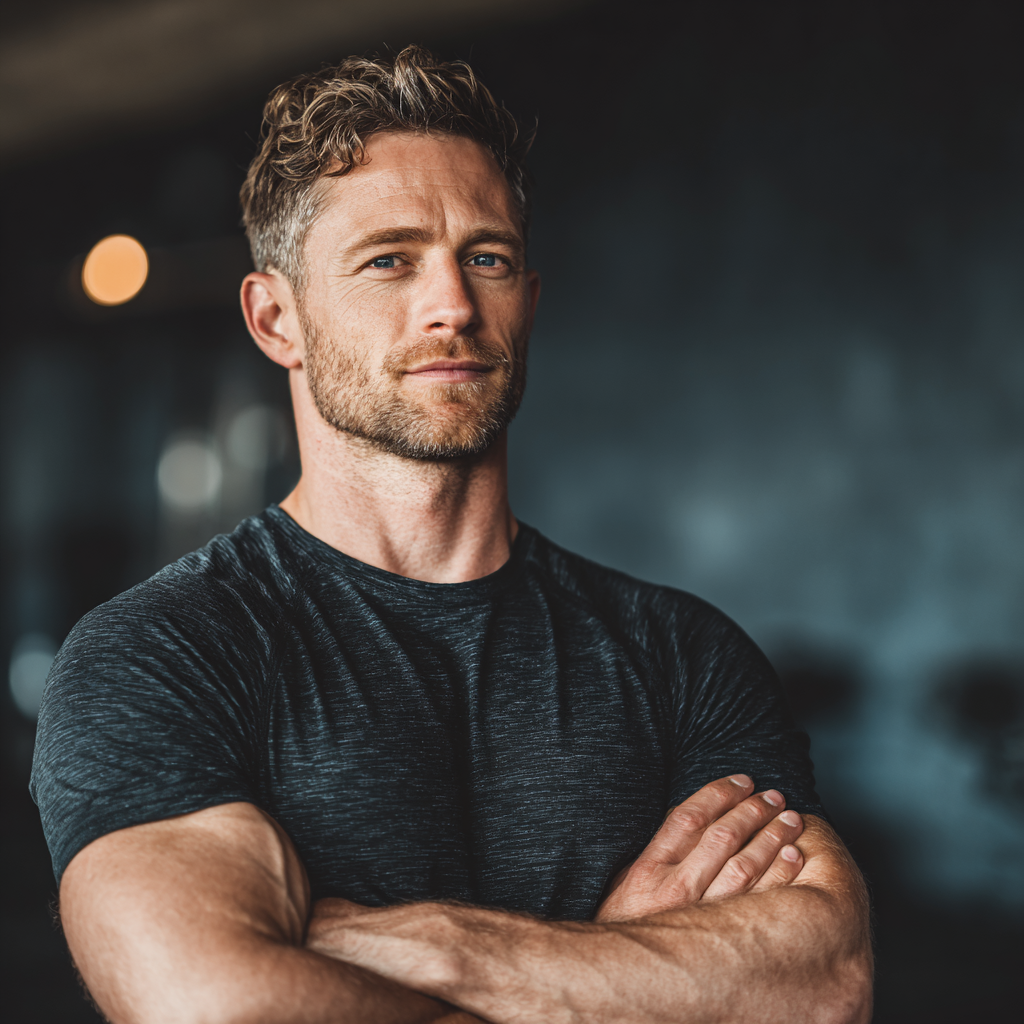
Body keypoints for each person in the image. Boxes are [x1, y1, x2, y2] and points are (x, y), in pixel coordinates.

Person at [31, 46, 871, 1024]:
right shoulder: (158, 654)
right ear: (276, 320)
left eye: (487, 258)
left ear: (529, 303)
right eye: (389, 260)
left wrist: (438, 947)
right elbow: (220, 1004)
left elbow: (823, 985)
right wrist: (618, 975)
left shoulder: (682, 656)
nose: (454, 307)